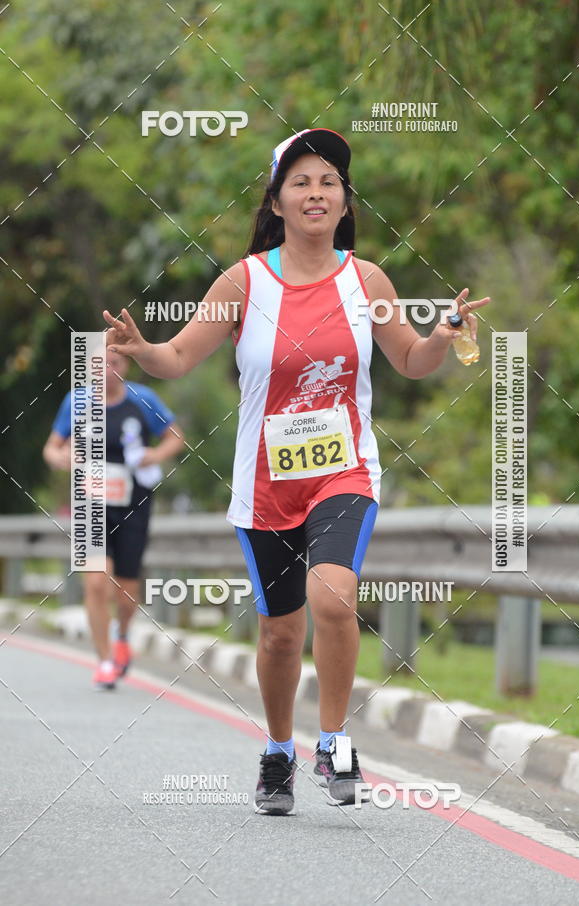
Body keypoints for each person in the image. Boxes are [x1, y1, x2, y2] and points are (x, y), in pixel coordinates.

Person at [102, 128, 491, 813]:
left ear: (345, 203)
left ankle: (335, 741)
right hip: (264, 484)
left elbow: (409, 359)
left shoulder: (366, 279)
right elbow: (177, 357)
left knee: (334, 597)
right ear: (277, 201)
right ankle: (278, 752)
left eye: (329, 183)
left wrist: (442, 337)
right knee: (281, 633)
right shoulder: (243, 282)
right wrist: (140, 350)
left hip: (343, 470)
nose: (316, 193)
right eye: (301, 182)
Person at [43, 348, 185, 689]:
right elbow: (51, 448)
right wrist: (63, 457)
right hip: (90, 501)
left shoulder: (143, 399)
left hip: (133, 500)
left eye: (115, 363)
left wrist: (154, 455)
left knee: (126, 588)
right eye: (100, 364)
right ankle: (105, 659)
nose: (107, 370)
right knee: (95, 581)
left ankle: (121, 634)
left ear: (127, 366)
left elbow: (176, 438)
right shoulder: (75, 401)